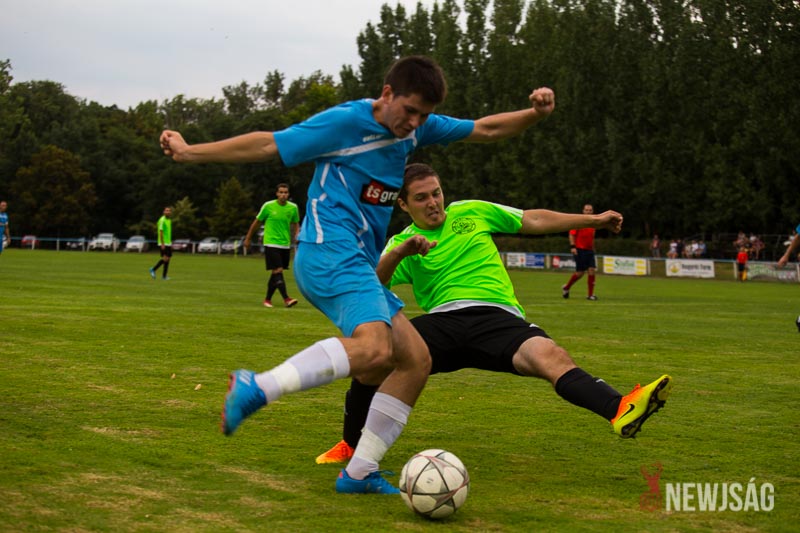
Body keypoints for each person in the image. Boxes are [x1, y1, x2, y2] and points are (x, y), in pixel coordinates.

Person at [159, 55, 556, 494]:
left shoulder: (417, 128)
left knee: (416, 359)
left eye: (424, 115)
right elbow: (269, 145)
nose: (414, 123)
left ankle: (360, 471)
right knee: (374, 349)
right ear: (387, 94)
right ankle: (259, 387)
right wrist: (190, 152)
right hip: (329, 251)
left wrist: (534, 113)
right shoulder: (346, 123)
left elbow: (486, 129)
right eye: (410, 110)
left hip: (356, 263)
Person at [316, 163, 672, 464]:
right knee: (374, 358)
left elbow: (532, 219)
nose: (433, 202)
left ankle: (619, 408)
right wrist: (399, 253)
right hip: (444, 322)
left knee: (550, 356)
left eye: (436, 193)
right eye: (421, 198)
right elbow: (373, 285)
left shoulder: (470, 211)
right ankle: (351, 444)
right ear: (404, 204)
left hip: (498, 319)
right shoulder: (403, 242)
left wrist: (593, 221)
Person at [244, 183, 300, 308]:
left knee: (275, 273)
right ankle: (287, 299)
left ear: (288, 194)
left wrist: (297, 234)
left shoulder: (293, 208)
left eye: (285, 192)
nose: (283, 195)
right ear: (277, 194)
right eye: (281, 192)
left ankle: (267, 300)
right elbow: (257, 222)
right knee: (278, 270)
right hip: (271, 243)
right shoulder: (268, 206)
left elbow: (296, 223)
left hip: (285, 244)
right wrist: (248, 238)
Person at [561, 204, 599, 300]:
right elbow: (571, 235)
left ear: (592, 211)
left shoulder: (593, 224)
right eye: (586, 210)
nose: (588, 212)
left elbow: (591, 238)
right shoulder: (578, 222)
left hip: (589, 251)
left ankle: (590, 295)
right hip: (580, 250)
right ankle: (566, 287)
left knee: (592, 270)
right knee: (580, 273)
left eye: (590, 210)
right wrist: (573, 247)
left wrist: (593, 248)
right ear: (583, 211)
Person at [149, 207, 173, 280]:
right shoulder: (162, 220)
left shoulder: (169, 220)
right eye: (166, 210)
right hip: (163, 242)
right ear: (164, 212)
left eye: (169, 211)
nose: (168, 212)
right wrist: (162, 243)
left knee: (168, 259)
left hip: (168, 242)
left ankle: (164, 276)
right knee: (165, 258)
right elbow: (161, 232)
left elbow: (168, 232)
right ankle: (153, 269)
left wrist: (170, 242)